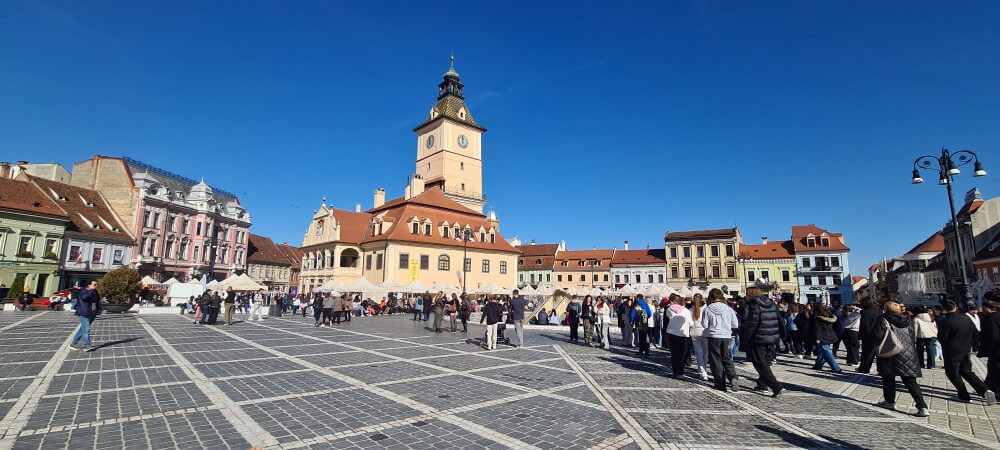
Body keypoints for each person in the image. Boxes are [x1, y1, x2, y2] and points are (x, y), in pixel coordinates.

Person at [875, 301, 929, 417]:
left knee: (888, 378)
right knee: (910, 381)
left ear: (885, 309)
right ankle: (922, 407)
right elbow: (912, 335)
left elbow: (878, 336)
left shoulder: (883, 319)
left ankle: (890, 401)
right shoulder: (907, 320)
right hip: (907, 352)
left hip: (890, 351)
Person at [938, 300, 996, 405]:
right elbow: (975, 333)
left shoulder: (945, 320)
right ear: (955, 307)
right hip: (966, 349)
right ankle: (985, 390)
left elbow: (942, 338)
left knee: (952, 373)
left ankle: (963, 395)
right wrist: (973, 345)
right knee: (967, 371)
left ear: (944, 309)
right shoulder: (966, 318)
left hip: (952, 351)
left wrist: (944, 345)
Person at [742, 287, 784, 397]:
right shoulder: (772, 304)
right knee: (765, 362)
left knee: (760, 363)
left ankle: (776, 387)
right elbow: (780, 320)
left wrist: (746, 338)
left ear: (751, 294)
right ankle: (762, 384)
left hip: (759, 338)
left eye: (747, 293)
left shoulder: (754, 305)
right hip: (772, 338)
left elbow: (752, 323)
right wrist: (782, 335)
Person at [702, 289, 740, 392]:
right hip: (726, 336)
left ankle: (720, 383)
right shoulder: (728, 309)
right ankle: (732, 377)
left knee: (716, 360)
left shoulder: (708, 309)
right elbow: (735, 324)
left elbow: (704, 324)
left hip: (714, 336)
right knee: (727, 358)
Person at [665, 294, 693, 377]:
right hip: (684, 334)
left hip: (672, 333)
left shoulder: (669, 309)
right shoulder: (686, 310)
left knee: (674, 354)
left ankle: (676, 372)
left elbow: (669, 317)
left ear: (673, 301)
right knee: (683, 354)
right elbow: (691, 323)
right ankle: (680, 372)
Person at [69, 280, 100, 352]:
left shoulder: (95, 291)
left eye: (97, 284)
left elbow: (97, 301)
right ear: (89, 285)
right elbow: (84, 298)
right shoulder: (84, 291)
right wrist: (91, 291)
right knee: (86, 329)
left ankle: (73, 344)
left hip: (92, 313)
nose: (96, 286)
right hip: (84, 312)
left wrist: (98, 310)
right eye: (94, 284)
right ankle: (87, 346)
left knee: (82, 330)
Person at [812, 304, 843, 373]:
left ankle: (836, 368)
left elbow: (818, 329)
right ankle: (818, 365)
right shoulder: (829, 315)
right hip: (830, 335)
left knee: (826, 352)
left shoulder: (817, 317)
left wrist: (817, 338)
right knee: (824, 351)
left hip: (823, 336)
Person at [979, 299, 1000, 394]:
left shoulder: (991, 318)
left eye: (984, 308)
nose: (982, 310)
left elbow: (993, 336)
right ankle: (987, 388)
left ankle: (995, 391)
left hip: (996, 349)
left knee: (994, 368)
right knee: (992, 368)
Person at [858, 297, 882, 374]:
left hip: (868, 336)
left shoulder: (865, 312)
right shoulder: (879, 311)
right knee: (879, 354)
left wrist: (867, 334)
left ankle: (864, 368)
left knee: (867, 353)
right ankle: (881, 370)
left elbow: (865, 324)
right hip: (878, 334)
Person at [689, 294, 710, 380]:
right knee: (705, 354)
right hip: (705, 332)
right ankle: (704, 370)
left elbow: (690, 323)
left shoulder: (691, 310)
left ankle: (702, 372)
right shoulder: (706, 309)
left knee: (699, 354)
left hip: (694, 332)